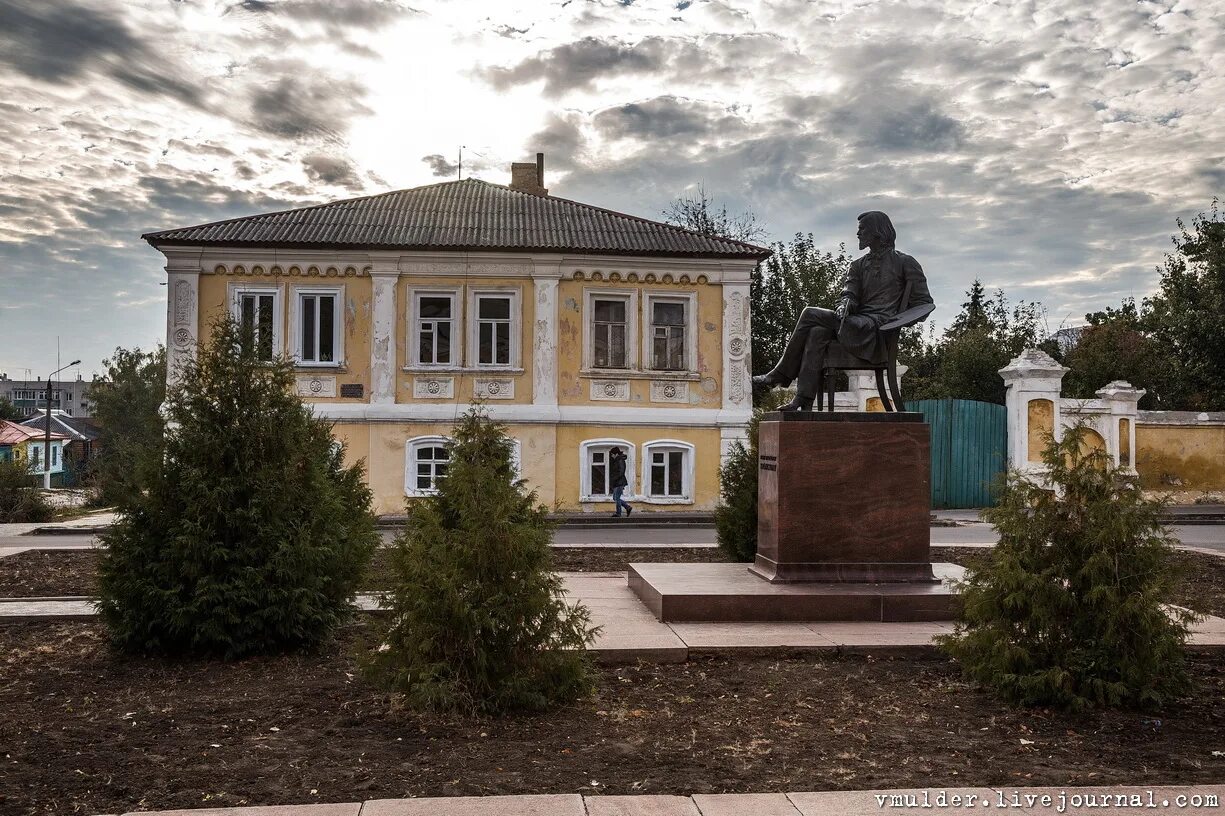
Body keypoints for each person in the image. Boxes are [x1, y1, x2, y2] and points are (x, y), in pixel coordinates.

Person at [752, 210, 933, 411]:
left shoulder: (904, 262)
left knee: (810, 313)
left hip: (878, 329)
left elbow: (924, 303)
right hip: (857, 325)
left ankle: (779, 374)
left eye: (862, 229)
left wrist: (896, 322)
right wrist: (844, 304)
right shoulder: (857, 265)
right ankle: (803, 399)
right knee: (816, 332)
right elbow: (850, 294)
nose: (858, 234)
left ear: (877, 232)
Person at [609, 446, 632, 518]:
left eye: (612, 454)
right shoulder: (617, 460)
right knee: (615, 498)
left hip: (620, 482)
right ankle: (627, 507)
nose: (611, 456)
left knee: (617, 498)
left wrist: (614, 479)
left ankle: (618, 513)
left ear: (616, 454)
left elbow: (621, 472)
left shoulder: (620, 460)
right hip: (617, 482)